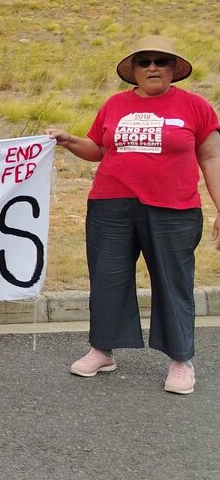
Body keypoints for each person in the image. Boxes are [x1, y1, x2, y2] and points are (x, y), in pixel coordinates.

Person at [48, 35, 220, 396]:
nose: (153, 67)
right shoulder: (114, 105)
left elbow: (211, 158)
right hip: (111, 205)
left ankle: (180, 360)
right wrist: (67, 139)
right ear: (134, 71)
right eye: (144, 62)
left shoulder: (195, 107)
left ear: (175, 68)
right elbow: (97, 149)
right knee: (108, 279)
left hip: (174, 209)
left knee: (173, 283)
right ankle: (102, 350)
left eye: (161, 61)